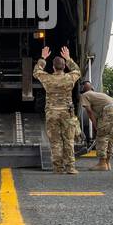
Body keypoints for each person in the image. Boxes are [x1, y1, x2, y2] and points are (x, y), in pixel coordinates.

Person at [33, 46, 81, 174]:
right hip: (67, 113)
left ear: (53, 67)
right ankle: (70, 167)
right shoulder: (70, 78)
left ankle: (58, 168)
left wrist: (43, 58)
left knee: (55, 141)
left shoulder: (47, 78)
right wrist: (68, 58)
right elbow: (77, 70)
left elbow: (36, 71)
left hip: (52, 113)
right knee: (69, 140)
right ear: (64, 66)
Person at [79, 81, 113, 171]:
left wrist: (95, 125)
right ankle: (107, 163)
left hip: (109, 110)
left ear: (82, 89)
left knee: (102, 136)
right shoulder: (98, 94)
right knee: (111, 137)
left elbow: (89, 112)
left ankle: (102, 163)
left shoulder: (85, 95)